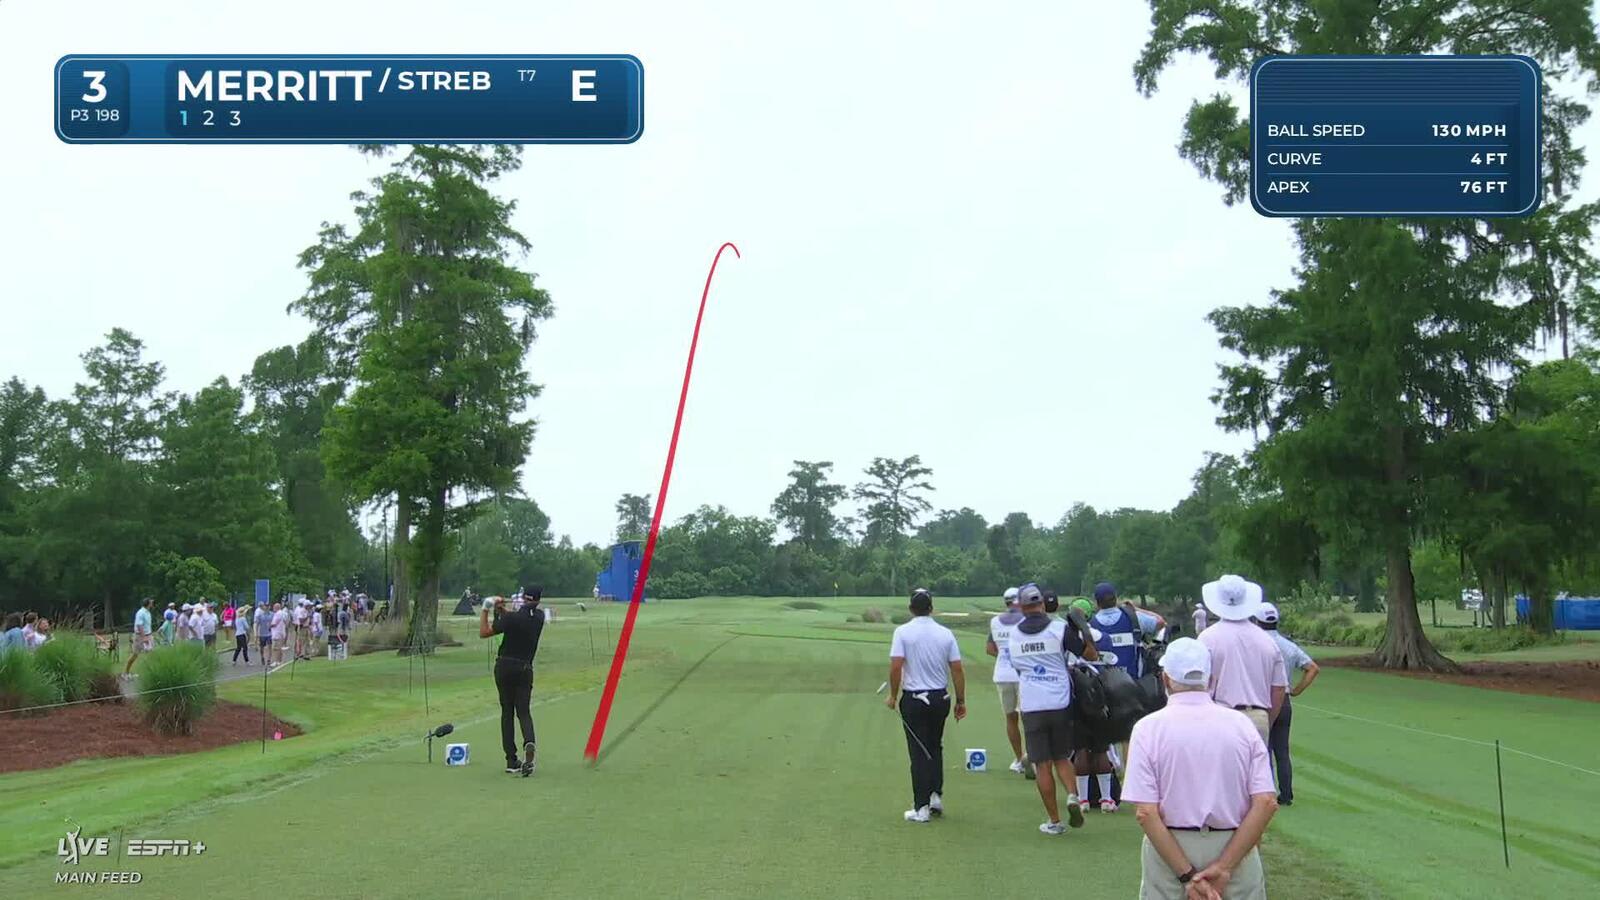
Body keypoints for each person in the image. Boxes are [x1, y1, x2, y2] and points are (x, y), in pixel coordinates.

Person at [1122, 638, 1277, 899]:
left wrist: (1187, 876)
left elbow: (1146, 812)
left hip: (1169, 849)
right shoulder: (1241, 725)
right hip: (1235, 848)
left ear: (1166, 679)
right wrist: (1224, 867)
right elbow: (1265, 802)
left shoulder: (1148, 729)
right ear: (1211, 679)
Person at [1008, 583, 1098, 835]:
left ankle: (1054, 821)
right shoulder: (1059, 629)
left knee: (1042, 764)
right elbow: (1090, 654)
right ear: (1041, 604)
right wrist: (1085, 632)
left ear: (1023, 607)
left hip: (1032, 703)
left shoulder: (1014, 634)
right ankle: (1072, 795)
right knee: (1061, 756)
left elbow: (1018, 667)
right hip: (1059, 701)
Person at [886, 588, 965, 823]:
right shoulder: (946, 633)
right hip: (940, 698)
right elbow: (957, 669)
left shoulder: (902, 632)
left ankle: (921, 808)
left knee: (919, 752)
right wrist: (961, 700)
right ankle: (935, 795)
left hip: (915, 699)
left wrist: (892, 695)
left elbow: (895, 666)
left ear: (911, 608)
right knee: (934, 746)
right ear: (931, 608)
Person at [1198, 576, 1287, 745]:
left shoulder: (1207, 639)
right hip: (1257, 716)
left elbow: (1199, 683)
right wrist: (1267, 720)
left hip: (1221, 714)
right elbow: (1279, 689)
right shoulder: (1267, 641)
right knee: (1258, 771)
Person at [1253, 602, 1318, 807]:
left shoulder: (1256, 644)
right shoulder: (1288, 645)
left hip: (1262, 700)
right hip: (1285, 700)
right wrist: (1296, 690)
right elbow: (1312, 668)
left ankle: (1266, 792)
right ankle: (1286, 794)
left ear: (1256, 621)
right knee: (1282, 750)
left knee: (1262, 749)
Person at [479, 586, 547, 775]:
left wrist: (486, 609)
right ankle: (529, 742)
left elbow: (484, 632)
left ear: (523, 598)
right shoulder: (539, 617)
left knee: (507, 713)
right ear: (538, 600)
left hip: (504, 667)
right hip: (525, 668)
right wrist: (502, 611)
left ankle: (511, 760)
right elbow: (519, 618)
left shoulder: (511, 619)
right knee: (523, 712)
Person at [986, 587, 1028, 776]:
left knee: (1011, 718)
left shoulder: (995, 621)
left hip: (1002, 674)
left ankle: (1019, 759)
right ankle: (1031, 758)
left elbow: (990, 648)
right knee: (1028, 719)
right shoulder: (1027, 620)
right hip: (1023, 674)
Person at [127, 597, 154, 675]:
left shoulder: (148, 612)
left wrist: (149, 636)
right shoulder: (141, 612)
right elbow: (139, 625)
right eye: (151, 602)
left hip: (148, 635)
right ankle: (126, 672)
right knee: (135, 654)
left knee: (151, 654)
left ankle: (149, 673)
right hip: (140, 636)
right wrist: (144, 637)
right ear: (148, 604)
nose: (152, 603)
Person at [231, 600, 251, 665]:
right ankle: (247, 661)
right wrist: (248, 633)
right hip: (242, 634)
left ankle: (234, 660)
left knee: (238, 648)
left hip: (237, 634)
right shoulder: (243, 618)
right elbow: (247, 627)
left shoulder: (237, 619)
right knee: (245, 648)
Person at [270, 602, 289, 667]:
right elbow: (286, 622)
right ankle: (279, 660)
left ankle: (276, 661)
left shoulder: (277, 614)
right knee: (279, 647)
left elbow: (274, 623)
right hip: (281, 632)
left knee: (275, 648)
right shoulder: (283, 613)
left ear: (276, 608)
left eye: (274, 607)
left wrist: (269, 626)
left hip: (277, 633)